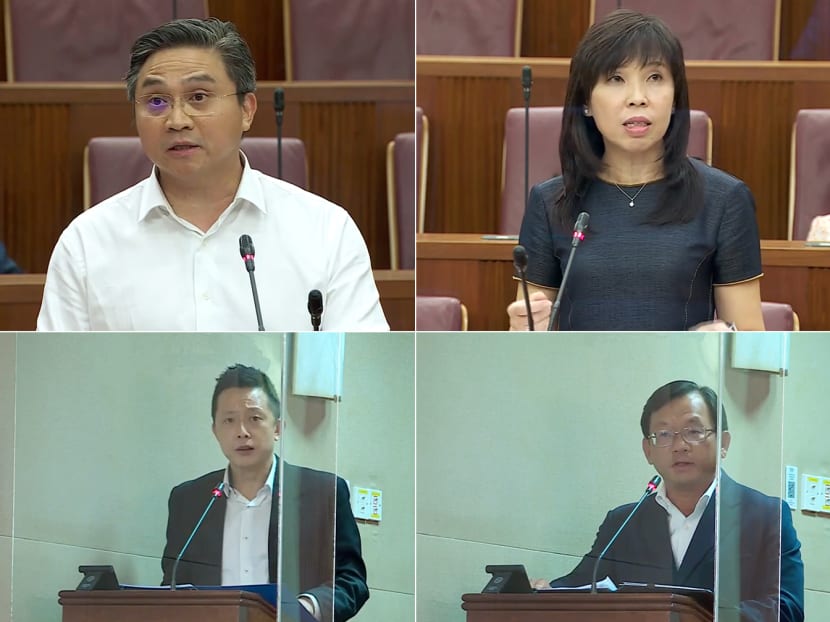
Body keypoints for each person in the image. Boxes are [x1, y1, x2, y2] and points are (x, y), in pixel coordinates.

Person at [37, 18, 388, 331]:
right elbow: (59, 379)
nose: (177, 120)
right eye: (156, 101)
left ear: (247, 110)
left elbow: (360, 371)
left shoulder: (324, 231)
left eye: (199, 96)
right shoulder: (87, 243)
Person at [507, 10, 765, 331]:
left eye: (654, 78)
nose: (638, 98)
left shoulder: (724, 200)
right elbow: (529, 337)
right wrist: (522, 332)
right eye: (616, 79)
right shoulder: (550, 203)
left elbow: (748, 347)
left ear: (675, 98)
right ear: (585, 101)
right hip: (580, 380)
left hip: (680, 379)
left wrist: (722, 336)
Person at [543, 380, 803, 622]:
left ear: (723, 443)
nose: (680, 445)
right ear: (648, 450)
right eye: (664, 434)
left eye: (693, 431)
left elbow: (787, 608)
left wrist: (697, 615)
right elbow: (578, 587)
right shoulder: (623, 522)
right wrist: (540, 591)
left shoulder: (767, 515)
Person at [161, 364, 368, 622]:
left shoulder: (324, 493)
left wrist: (305, 609)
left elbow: (352, 580)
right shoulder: (189, 500)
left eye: (254, 418)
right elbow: (172, 586)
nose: (242, 431)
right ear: (215, 431)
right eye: (229, 420)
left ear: (278, 428)